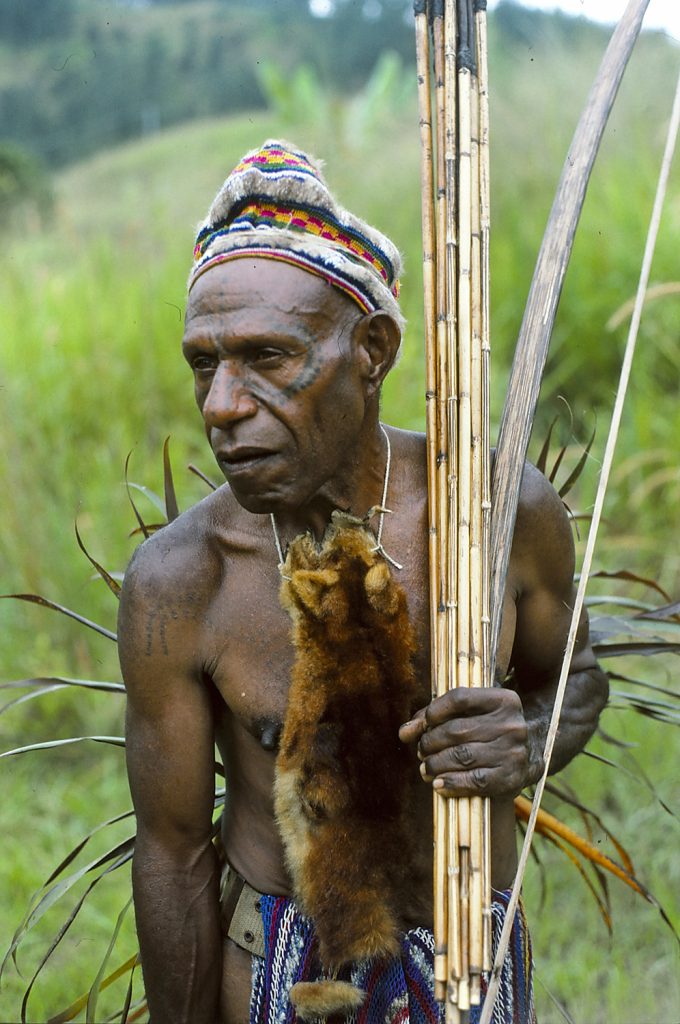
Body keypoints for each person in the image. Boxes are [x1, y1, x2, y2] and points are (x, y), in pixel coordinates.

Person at [118, 140, 609, 1024]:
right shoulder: (180, 583)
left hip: (473, 960)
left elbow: (575, 677)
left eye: (267, 358)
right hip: (278, 972)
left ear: (371, 351)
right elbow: (172, 852)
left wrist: (527, 742)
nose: (223, 405)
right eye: (205, 363)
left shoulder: (497, 517)